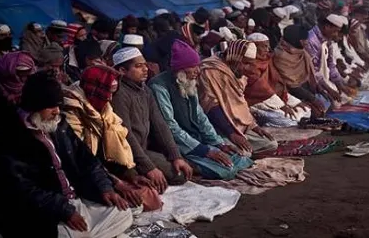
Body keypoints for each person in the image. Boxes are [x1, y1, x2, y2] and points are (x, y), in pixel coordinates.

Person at [0, 72, 133, 238]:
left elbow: (87, 160)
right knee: (67, 233)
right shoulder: (10, 137)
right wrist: (64, 210)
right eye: (50, 106)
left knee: (123, 213)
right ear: (35, 105)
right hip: (45, 212)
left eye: (58, 105)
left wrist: (104, 187)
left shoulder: (59, 124)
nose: (56, 111)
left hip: (77, 201)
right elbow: (22, 189)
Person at [149, 40, 254, 180]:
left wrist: (218, 143)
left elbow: (200, 116)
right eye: (193, 67)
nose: (198, 71)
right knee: (226, 170)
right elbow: (170, 127)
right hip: (177, 144)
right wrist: (205, 151)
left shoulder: (188, 81)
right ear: (181, 70)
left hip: (196, 138)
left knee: (243, 156)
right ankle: (191, 164)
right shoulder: (159, 87)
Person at [62, 65, 161, 210]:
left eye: (112, 93)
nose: (109, 98)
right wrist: (115, 183)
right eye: (107, 92)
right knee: (139, 200)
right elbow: (84, 158)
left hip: (105, 169)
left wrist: (130, 175)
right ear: (96, 89)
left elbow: (119, 143)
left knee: (150, 191)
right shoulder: (72, 110)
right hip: (85, 173)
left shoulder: (105, 107)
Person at [111, 47, 192, 193]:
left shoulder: (145, 90)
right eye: (138, 66)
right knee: (176, 177)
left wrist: (175, 155)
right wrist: (149, 168)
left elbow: (160, 124)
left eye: (144, 64)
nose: (145, 69)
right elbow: (126, 135)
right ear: (122, 71)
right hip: (127, 155)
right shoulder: (120, 94)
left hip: (143, 150)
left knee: (182, 167)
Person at [198, 40, 278, 155]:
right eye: (246, 63)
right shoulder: (210, 71)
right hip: (217, 127)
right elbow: (211, 107)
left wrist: (254, 126)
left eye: (251, 63)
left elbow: (240, 104)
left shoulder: (236, 72)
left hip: (237, 126)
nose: (249, 69)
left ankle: (242, 155)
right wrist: (232, 133)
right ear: (234, 58)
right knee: (244, 153)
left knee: (271, 143)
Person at [244, 33, 311, 126]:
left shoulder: (268, 60)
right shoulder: (248, 65)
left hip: (273, 98)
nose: (267, 50)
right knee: (286, 119)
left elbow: (278, 85)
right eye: (264, 47)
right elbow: (262, 89)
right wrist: (282, 106)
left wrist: (295, 102)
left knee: (306, 110)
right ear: (253, 47)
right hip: (257, 101)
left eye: (268, 46)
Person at [272, 25, 328, 117]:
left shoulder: (301, 52)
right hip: (287, 93)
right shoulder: (281, 56)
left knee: (326, 103)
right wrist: (312, 99)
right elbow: (291, 86)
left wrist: (320, 89)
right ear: (298, 40)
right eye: (304, 40)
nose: (306, 42)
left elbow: (308, 77)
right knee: (308, 113)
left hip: (303, 91)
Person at [305, 14, 355, 105]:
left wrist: (340, 84)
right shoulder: (311, 40)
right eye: (335, 31)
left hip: (323, 80)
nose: (336, 35)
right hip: (310, 82)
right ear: (327, 27)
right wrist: (328, 89)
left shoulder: (327, 39)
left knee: (340, 97)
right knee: (328, 103)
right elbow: (313, 71)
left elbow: (331, 64)